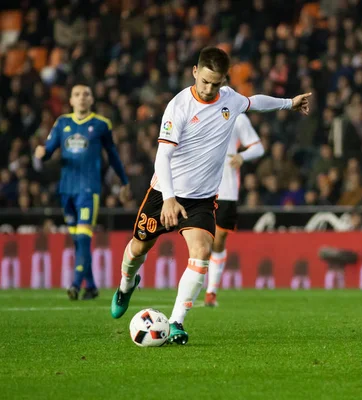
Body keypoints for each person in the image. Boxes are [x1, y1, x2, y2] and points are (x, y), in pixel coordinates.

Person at [110, 47, 311, 345]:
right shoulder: (179, 106)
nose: (208, 88)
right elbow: (162, 157)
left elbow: (254, 102)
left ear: (224, 80)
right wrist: (168, 198)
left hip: (202, 199)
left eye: (215, 83)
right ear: (194, 71)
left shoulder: (229, 98)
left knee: (203, 252)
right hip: (165, 192)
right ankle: (126, 285)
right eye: (204, 81)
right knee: (138, 249)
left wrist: (288, 103)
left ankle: (176, 321)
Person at [34, 84, 130, 300]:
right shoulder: (62, 123)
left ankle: (76, 284)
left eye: (86, 94)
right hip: (66, 189)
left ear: (92, 99)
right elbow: (48, 151)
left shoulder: (101, 124)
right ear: (71, 100)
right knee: (77, 239)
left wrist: (124, 181)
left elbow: (112, 154)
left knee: (84, 238)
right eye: (77, 94)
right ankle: (92, 286)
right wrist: (40, 153)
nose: (82, 98)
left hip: (89, 189)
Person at [203, 112, 265, 307]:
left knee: (219, 239)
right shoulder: (197, 112)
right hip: (200, 187)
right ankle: (195, 289)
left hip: (226, 190)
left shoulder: (237, 117)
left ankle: (211, 291)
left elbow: (258, 148)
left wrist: (241, 156)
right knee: (201, 240)